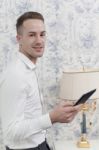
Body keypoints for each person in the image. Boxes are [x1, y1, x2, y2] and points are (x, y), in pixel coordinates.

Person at [0, 11, 82, 150]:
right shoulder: (15, 75)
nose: (39, 40)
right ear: (19, 38)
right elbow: (11, 132)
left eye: (42, 34)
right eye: (32, 35)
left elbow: (30, 116)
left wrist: (60, 114)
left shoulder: (29, 69)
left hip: (41, 145)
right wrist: (52, 117)